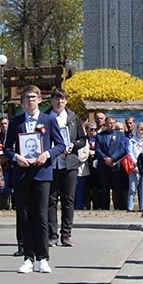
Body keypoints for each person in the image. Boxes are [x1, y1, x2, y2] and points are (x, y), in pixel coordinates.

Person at [4, 85, 67, 274]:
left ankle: (43, 257)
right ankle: (27, 256)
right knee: (24, 214)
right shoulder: (16, 122)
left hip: (42, 172)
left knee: (41, 214)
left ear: (40, 100)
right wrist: (16, 157)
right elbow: (7, 148)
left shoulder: (48, 120)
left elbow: (61, 145)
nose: (30, 101)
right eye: (26, 98)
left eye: (33, 97)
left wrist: (47, 154)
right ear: (22, 102)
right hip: (22, 173)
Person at [46, 88, 87, 245]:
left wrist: (73, 144)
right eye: (56, 99)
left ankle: (66, 234)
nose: (59, 102)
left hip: (69, 163)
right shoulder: (45, 117)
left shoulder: (72, 117)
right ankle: (52, 235)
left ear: (66, 101)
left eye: (62, 99)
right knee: (51, 200)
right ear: (51, 101)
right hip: (51, 163)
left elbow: (82, 139)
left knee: (68, 200)